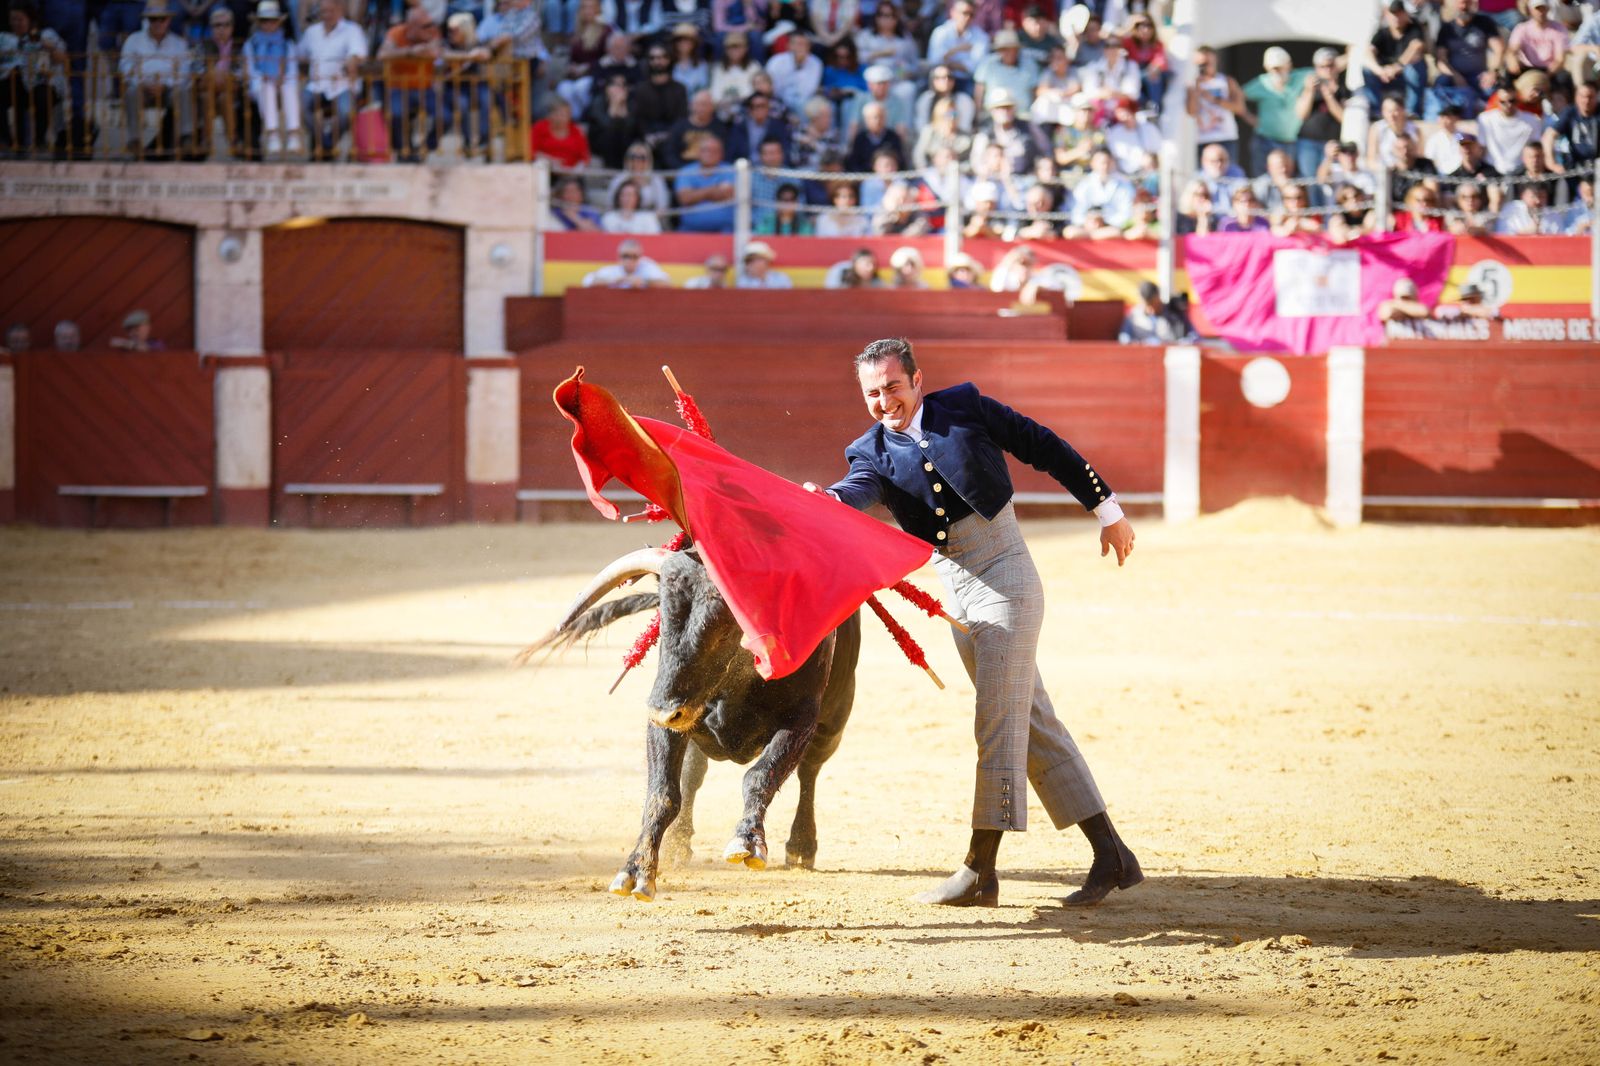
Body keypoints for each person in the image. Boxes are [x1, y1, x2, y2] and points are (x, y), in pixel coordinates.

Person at [805, 338, 1140, 909]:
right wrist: (828, 500)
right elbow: (857, 491)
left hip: (1007, 574)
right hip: (954, 594)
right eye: (873, 393)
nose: (885, 401)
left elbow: (1045, 447)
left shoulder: (964, 406)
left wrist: (1107, 510)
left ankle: (979, 869)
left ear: (916, 380)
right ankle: (1112, 855)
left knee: (997, 722)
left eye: (893, 386)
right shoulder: (869, 452)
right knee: (1029, 721)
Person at [119, 0, 195, 159]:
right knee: (131, 92)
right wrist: (143, 83)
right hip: (142, 88)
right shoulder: (133, 40)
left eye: (162, 19)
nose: (158, 23)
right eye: (154, 19)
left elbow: (185, 72)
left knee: (183, 91)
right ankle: (135, 140)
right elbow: (125, 67)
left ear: (169, 20)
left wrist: (165, 84)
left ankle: (186, 137)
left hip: (169, 89)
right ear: (147, 20)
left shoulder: (179, 43)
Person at [299, 0, 368, 158]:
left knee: (346, 112)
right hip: (316, 85)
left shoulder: (353, 30)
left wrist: (352, 61)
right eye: (324, 11)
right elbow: (300, 54)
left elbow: (357, 54)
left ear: (340, 10)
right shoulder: (311, 32)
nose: (327, 15)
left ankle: (325, 146)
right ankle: (326, 145)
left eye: (331, 11)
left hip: (343, 86)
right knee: (300, 107)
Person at [1243, 46, 1307, 177]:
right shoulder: (1261, 82)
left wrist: (1352, 52)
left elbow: (1327, 66)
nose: (1277, 72)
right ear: (1267, 68)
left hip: (1291, 143)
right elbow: (1237, 95)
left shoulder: (1301, 77)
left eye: (1280, 67)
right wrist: (1248, 116)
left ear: (1289, 65)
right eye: (1274, 69)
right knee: (1262, 181)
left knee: (1291, 182)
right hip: (1264, 142)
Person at [1188, 44, 1244, 166]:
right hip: (1202, 139)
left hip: (1226, 137)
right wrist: (1195, 91)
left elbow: (1240, 108)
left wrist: (1215, 99)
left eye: (1207, 63)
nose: (1203, 67)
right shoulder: (1192, 84)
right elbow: (1191, 112)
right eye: (1200, 64)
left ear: (1215, 61)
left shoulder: (1227, 81)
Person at [674, 134, 738, 232]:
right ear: (698, 152)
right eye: (706, 150)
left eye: (714, 151)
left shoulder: (730, 170)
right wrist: (714, 190)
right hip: (690, 230)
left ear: (721, 154)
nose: (709, 154)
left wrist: (696, 193)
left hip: (724, 230)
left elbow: (727, 194)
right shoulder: (686, 171)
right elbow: (685, 198)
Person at [1119, 281, 1192, 345]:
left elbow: (1192, 336)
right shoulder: (1134, 315)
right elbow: (1124, 338)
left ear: (1159, 298)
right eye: (1147, 306)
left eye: (1154, 304)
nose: (1151, 310)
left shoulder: (1175, 313)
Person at [582, 238, 671, 287]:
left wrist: (644, 282)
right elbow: (587, 281)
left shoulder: (647, 267)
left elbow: (666, 283)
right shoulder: (612, 271)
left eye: (634, 257)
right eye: (625, 256)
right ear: (619, 257)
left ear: (640, 257)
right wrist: (615, 281)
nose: (629, 260)